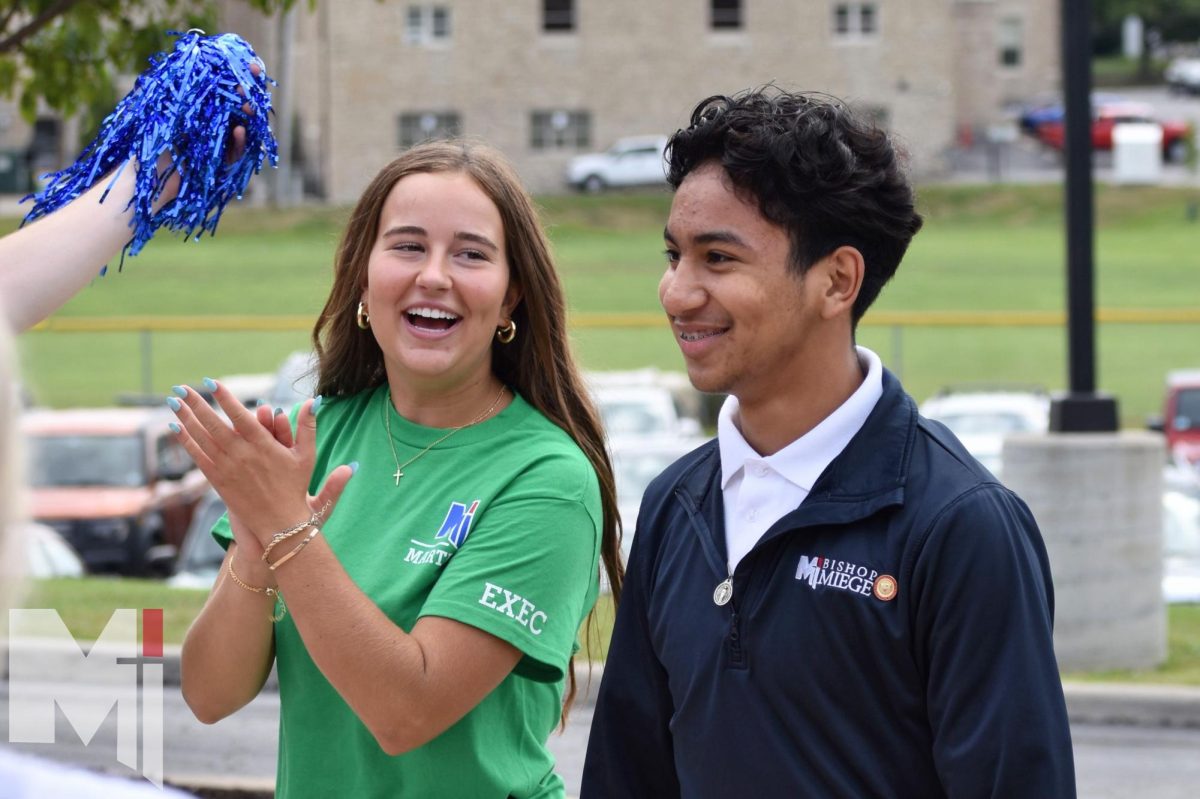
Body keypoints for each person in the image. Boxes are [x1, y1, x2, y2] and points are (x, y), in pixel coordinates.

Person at [581, 89, 1076, 797]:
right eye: (674, 254)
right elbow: (625, 777)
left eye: (717, 258)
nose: (676, 291)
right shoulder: (673, 504)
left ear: (837, 280)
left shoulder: (962, 526)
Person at [175, 140, 623, 798]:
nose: (435, 275)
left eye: (470, 253)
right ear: (365, 276)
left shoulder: (549, 478)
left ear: (510, 300)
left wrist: (285, 527)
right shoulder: (313, 438)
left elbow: (406, 709)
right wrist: (254, 539)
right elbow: (209, 693)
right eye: (408, 246)